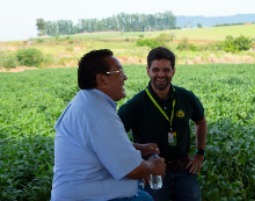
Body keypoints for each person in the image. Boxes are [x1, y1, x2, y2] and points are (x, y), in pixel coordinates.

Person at [51, 49, 166, 201]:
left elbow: (100, 146)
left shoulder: (88, 102)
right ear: (102, 79)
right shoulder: (97, 112)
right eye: (120, 72)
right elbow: (132, 170)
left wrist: (137, 148)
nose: (125, 78)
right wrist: (153, 166)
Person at [118, 47, 207, 201]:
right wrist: (137, 164)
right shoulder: (136, 104)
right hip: (152, 174)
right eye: (156, 70)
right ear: (148, 71)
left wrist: (200, 154)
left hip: (183, 169)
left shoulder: (186, 97)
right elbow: (115, 137)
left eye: (166, 70)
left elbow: (201, 121)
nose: (161, 75)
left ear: (173, 71)